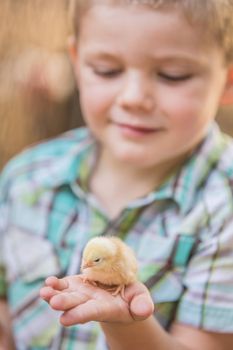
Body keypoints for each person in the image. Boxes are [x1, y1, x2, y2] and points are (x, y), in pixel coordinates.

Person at [1, 0, 233, 349]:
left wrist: (127, 325)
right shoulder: (27, 178)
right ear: (77, 63)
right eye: (107, 70)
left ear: (228, 80)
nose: (134, 98)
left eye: (173, 75)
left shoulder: (223, 207)